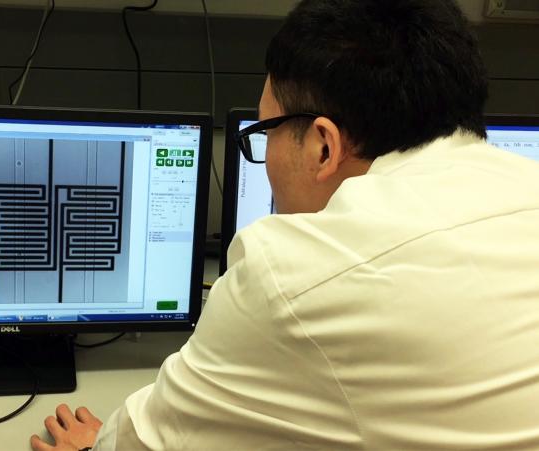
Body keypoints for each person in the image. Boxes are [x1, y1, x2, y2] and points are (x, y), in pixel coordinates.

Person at [31, 0, 539, 449]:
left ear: (323, 145)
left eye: (265, 130)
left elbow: (152, 440)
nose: (264, 154)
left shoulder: (294, 271)